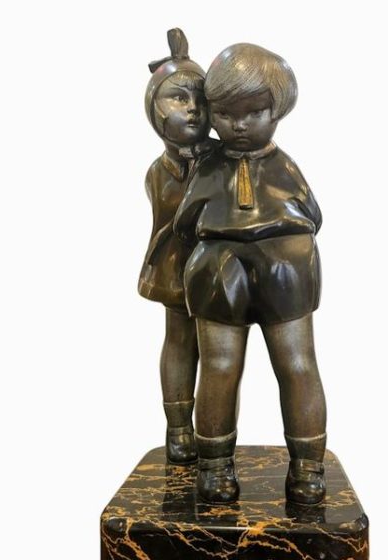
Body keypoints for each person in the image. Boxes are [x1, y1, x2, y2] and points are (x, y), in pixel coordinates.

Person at [174, 43, 327, 504]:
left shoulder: (280, 166)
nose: (239, 125)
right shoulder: (209, 166)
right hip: (221, 268)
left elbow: (187, 223)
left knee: (296, 364)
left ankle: (308, 467)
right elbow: (312, 214)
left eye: (254, 113)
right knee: (220, 366)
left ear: (277, 109)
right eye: (224, 114)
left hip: (285, 266)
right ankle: (215, 465)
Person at [138, 28, 215, 464]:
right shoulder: (158, 171)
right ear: (154, 108)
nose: (192, 109)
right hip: (176, 267)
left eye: (201, 99)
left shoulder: (225, 160)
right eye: (178, 98)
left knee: (221, 352)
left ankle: (215, 438)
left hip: (219, 270)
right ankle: (179, 427)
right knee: (180, 340)